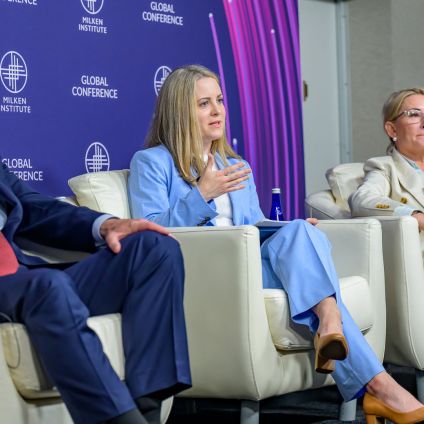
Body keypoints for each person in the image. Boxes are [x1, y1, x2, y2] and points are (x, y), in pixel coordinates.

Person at [128, 65, 424, 423]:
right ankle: (363, 365)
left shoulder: (235, 165)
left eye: (219, 100)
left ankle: (342, 339)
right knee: (303, 246)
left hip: (248, 264)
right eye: (204, 103)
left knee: (301, 231)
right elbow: (150, 231)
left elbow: (253, 227)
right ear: (180, 111)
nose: (218, 111)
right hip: (205, 270)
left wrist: (291, 229)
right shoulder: (152, 163)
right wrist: (202, 193)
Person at [0, 160, 191, 424]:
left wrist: (107, 225)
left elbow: (35, 207)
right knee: (47, 285)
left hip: (23, 279)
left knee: (155, 250)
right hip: (21, 287)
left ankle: (147, 411)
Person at [350, 88, 424, 249]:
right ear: (392, 129)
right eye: (414, 114)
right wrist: (414, 215)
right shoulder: (384, 167)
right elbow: (362, 200)